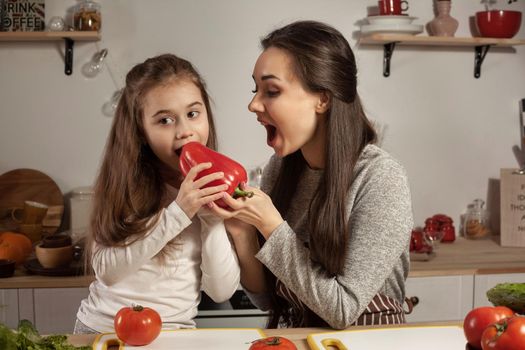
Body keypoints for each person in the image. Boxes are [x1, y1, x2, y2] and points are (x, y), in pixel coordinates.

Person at [210, 20, 413, 329]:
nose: (253, 104)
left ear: (322, 98)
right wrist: (242, 232)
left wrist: (270, 224)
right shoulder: (281, 168)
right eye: (256, 90)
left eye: (272, 91)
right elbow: (267, 298)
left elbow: (343, 310)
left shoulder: (380, 178)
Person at [74, 54, 240, 334]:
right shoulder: (123, 186)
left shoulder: (213, 184)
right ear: (141, 131)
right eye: (165, 120)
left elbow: (221, 291)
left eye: (193, 114)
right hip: (105, 331)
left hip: (175, 336)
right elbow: (107, 271)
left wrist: (212, 221)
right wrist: (178, 213)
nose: (185, 131)